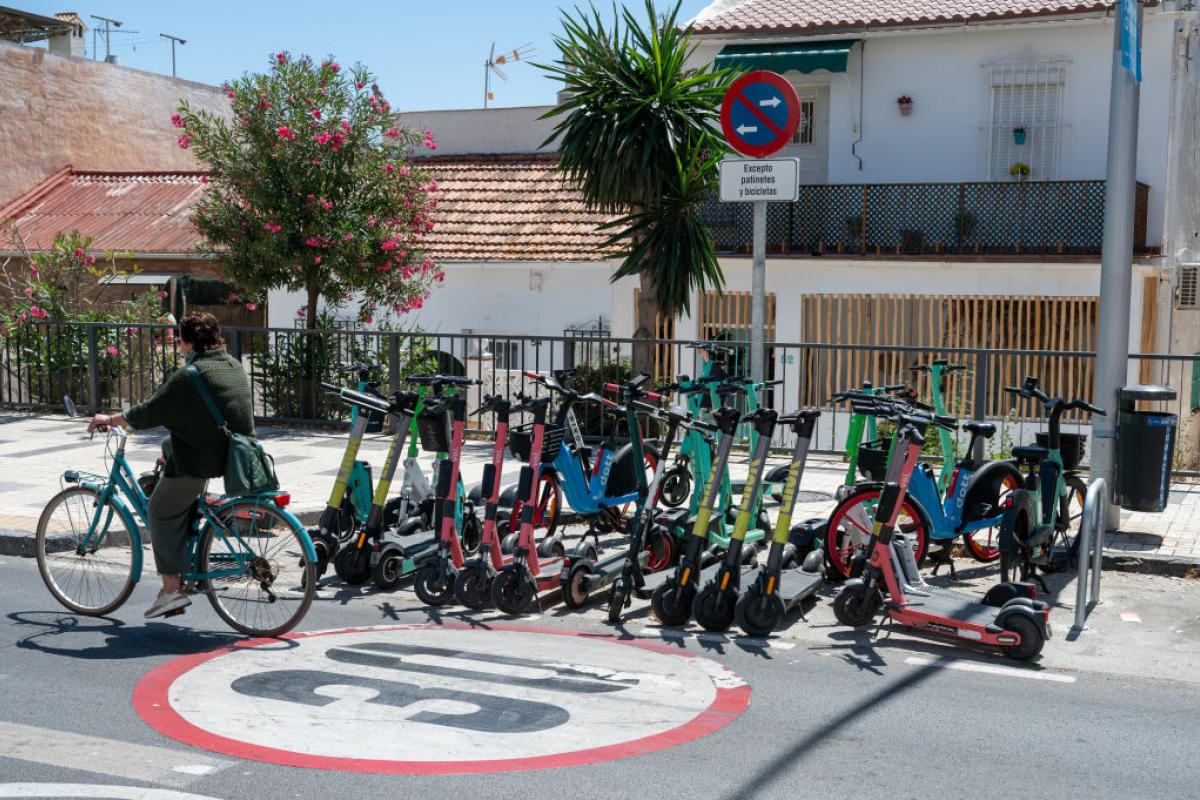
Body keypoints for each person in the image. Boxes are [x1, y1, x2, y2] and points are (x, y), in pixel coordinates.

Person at [88, 312, 254, 619]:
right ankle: (185, 549)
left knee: (159, 512)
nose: (178, 346)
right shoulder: (231, 364)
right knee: (167, 451)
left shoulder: (190, 376)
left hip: (203, 460)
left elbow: (150, 411)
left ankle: (171, 590)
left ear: (188, 342)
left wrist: (108, 420)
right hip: (234, 453)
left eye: (179, 340)